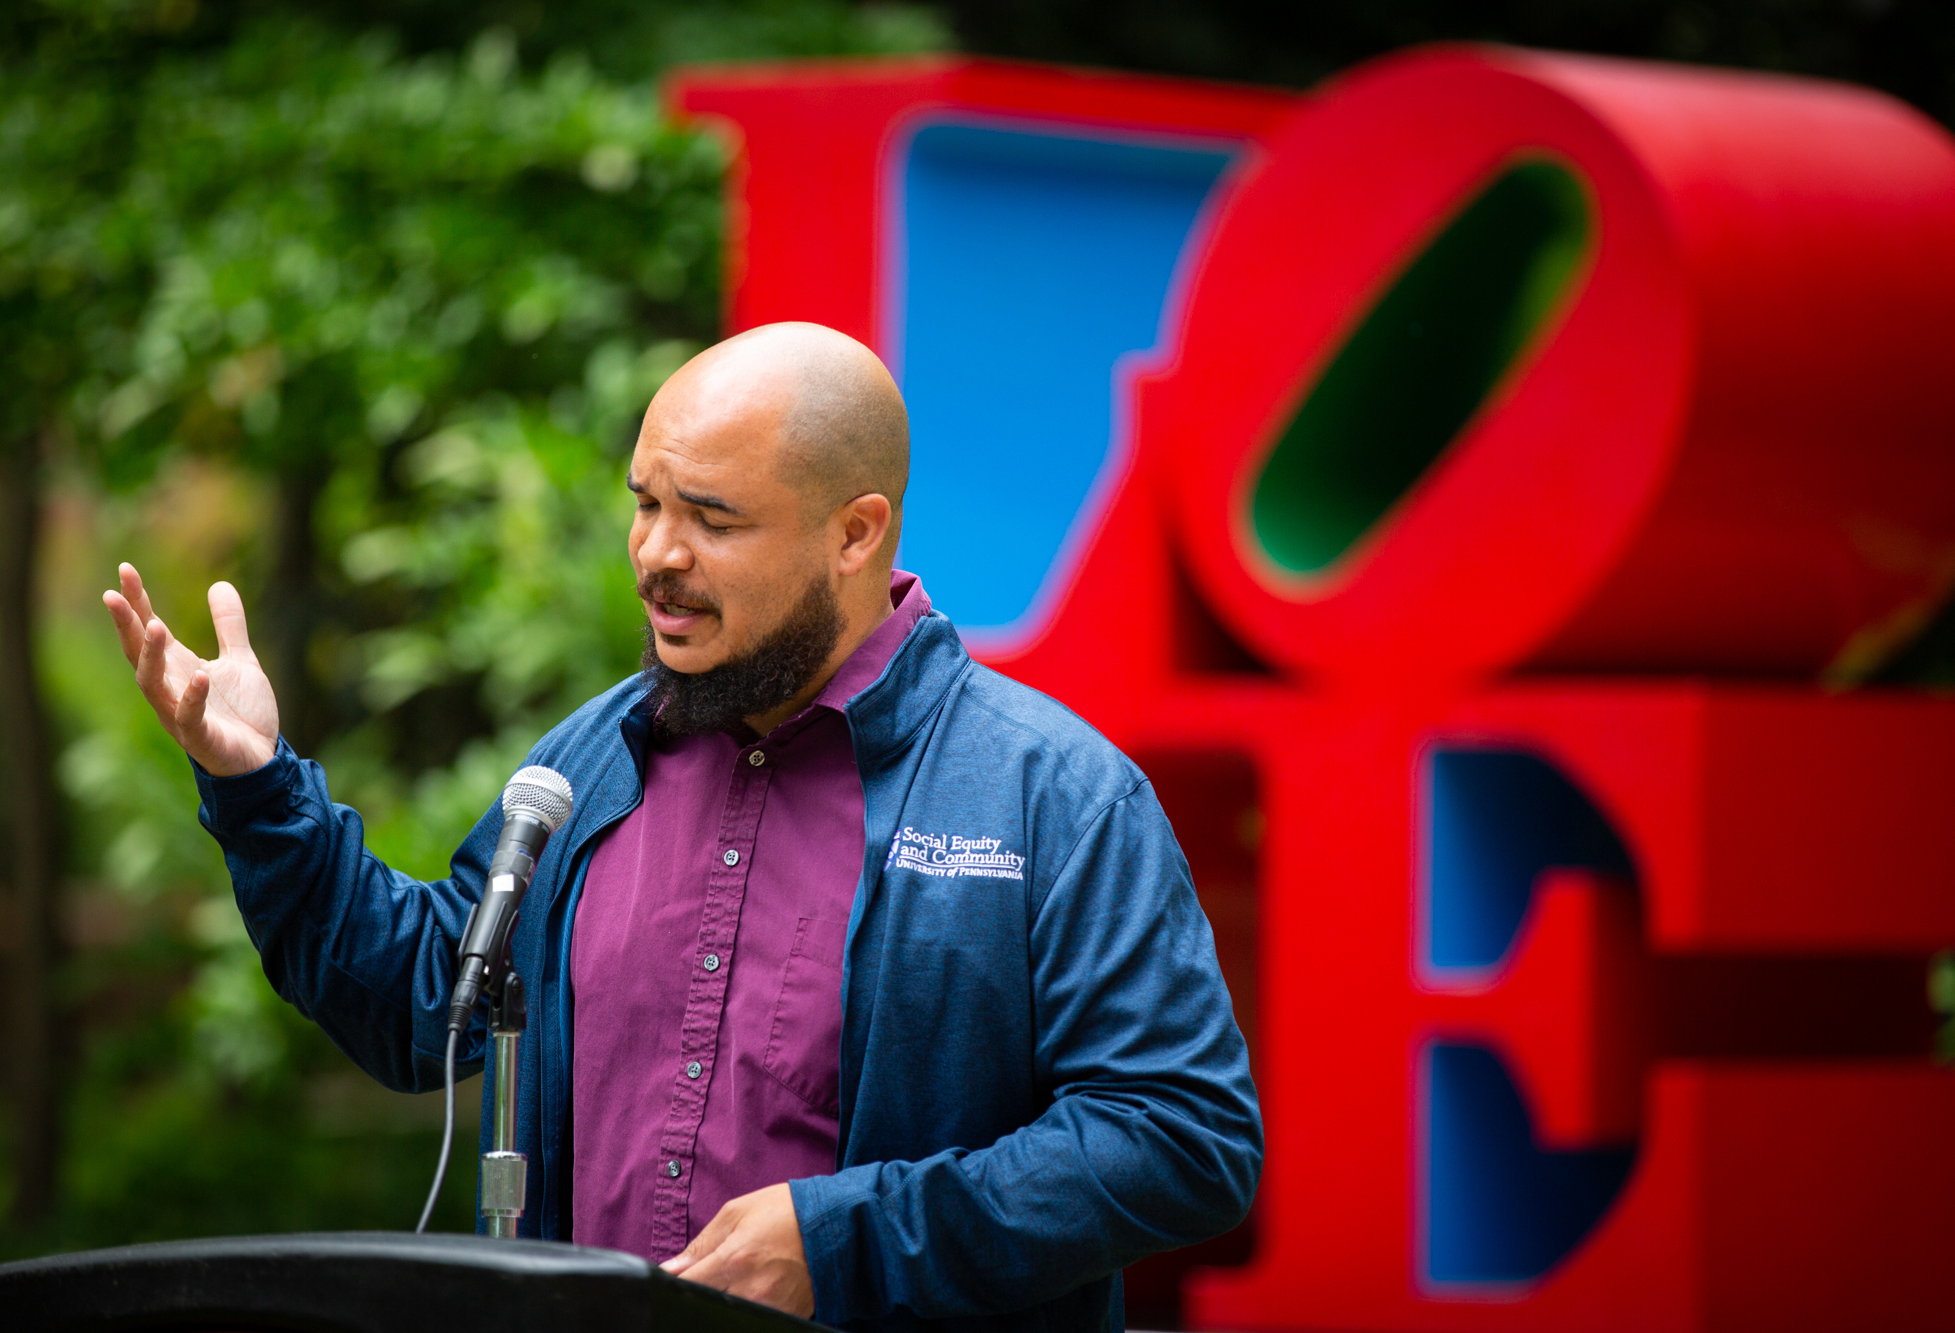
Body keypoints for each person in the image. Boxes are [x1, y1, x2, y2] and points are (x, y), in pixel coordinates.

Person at [102, 322, 1262, 1331]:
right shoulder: (588, 764)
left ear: (853, 534)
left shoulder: (1048, 793)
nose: (657, 555)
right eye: (646, 504)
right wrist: (256, 784)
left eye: (710, 517)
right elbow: (422, 1005)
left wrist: (842, 1238)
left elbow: (1177, 1137)